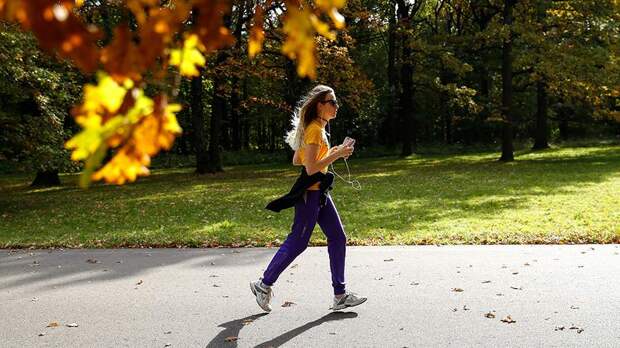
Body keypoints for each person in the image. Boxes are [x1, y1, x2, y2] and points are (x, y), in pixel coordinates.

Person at [250, 85, 367, 312]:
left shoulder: (316, 130)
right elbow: (311, 168)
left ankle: (340, 295)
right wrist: (336, 154)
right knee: (299, 241)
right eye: (332, 102)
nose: (336, 106)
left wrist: (330, 152)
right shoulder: (314, 130)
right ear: (319, 105)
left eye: (336, 102)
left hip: (319, 192)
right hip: (309, 193)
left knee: (337, 237)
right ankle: (263, 285)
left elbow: (297, 159)